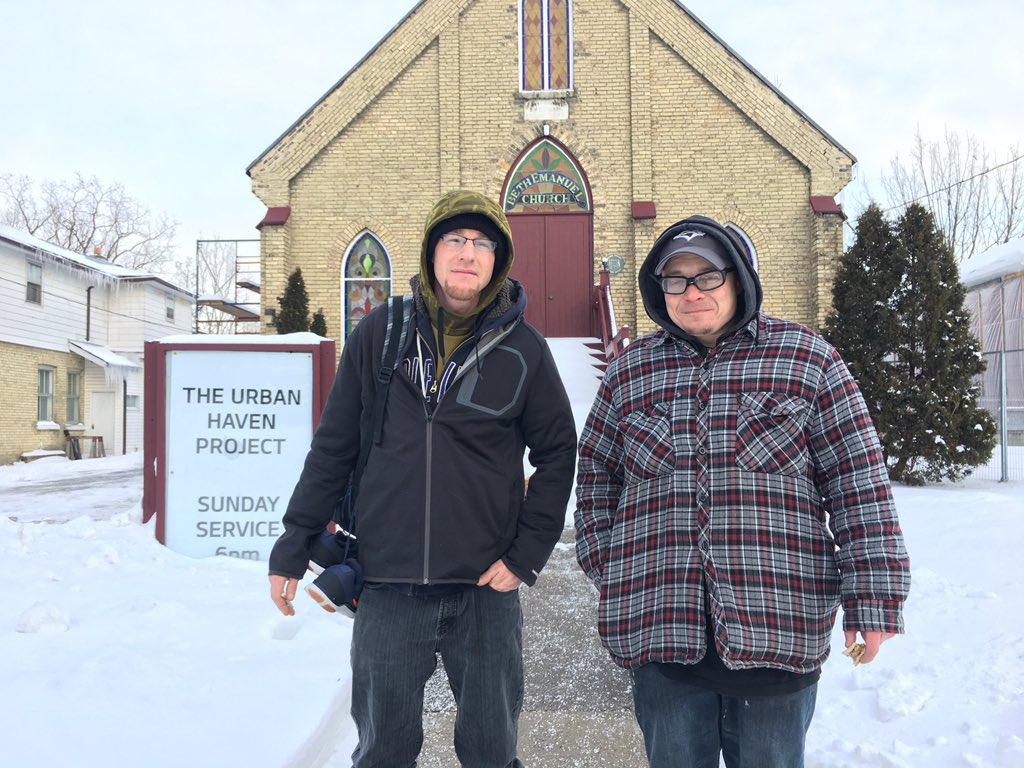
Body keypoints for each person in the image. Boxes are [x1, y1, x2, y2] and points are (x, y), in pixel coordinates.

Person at [574, 215, 910, 768]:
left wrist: (873, 598)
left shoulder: (807, 360)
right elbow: (596, 478)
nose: (691, 292)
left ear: (739, 279)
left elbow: (859, 483)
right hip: (660, 629)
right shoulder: (629, 373)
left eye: (707, 276)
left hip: (778, 626)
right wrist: (609, 566)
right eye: (675, 280)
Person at [268, 189, 577, 768]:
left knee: (491, 751)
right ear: (432, 252)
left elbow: (558, 453)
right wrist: (293, 544)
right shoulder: (380, 334)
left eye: (482, 243)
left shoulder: (525, 349)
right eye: (454, 239)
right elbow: (334, 447)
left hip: (484, 590)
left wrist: (525, 556)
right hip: (388, 586)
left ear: (498, 260)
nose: (467, 252)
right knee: (383, 751)